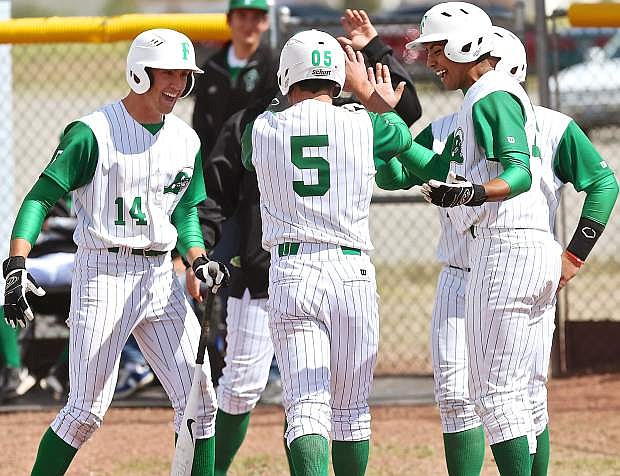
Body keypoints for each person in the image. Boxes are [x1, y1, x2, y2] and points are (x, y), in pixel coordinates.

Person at [1, 28, 229, 475]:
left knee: (201, 404)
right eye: (169, 73)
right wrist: (15, 263)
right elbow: (38, 198)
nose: (178, 85)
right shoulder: (93, 133)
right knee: (85, 412)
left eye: (185, 76)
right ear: (139, 72)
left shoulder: (185, 139)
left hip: (160, 277)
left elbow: (182, 212)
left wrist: (198, 259)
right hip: (103, 273)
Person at [241, 29, 413, 476]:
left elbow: (245, 153)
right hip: (350, 270)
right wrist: (366, 93)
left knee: (304, 404)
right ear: (336, 77)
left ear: (286, 76)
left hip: (293, 270)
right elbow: (397, 130)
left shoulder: (261, 127)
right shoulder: (362, 122)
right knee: (351, 408)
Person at [192, 0, 279, 387]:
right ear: (229, 20)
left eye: (257, 16)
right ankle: (227, 363)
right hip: (220, 187)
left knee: (267, 277)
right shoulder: (212, 67)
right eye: (242, 15)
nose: (249, 23)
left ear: (265, 23)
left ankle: (273, 370)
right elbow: (201, 131)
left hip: (262, 191)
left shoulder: (273, 64)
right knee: (220, 274)